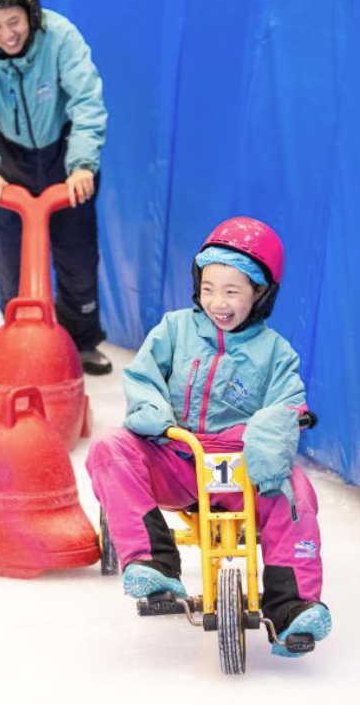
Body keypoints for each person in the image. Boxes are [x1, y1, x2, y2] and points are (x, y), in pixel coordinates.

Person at [85, 217, 332, 657]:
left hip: (241, 467)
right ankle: (153, 563)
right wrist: (157, 421)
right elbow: (143, 377)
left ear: (260, 294)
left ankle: (292, 606)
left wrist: (266, 442)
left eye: (233, 291)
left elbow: (286, 404)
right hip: (178, 454)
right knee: (110, 449)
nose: (218, 302)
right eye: (209, 288)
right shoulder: (175, 330)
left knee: (293, 491)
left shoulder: (276, 352)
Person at [0, 0, 113, 375]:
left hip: (63, 154)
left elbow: (87, 102)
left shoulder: (59, 35)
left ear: (32, 15)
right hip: (10, 159)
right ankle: (18, 341)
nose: (8, 34)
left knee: (77, 255)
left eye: (15, 21)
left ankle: (82, 341)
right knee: (12, 261)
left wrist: (81, 165)